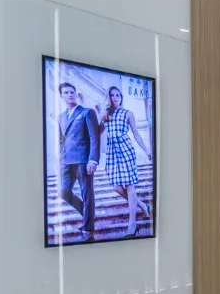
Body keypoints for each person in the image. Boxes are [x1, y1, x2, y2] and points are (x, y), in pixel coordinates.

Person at [98, 86, 152, 238]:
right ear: (108, 98)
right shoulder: (106, 115)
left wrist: (147, 151)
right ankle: (142, 205)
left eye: (117, 95)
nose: (115, 97)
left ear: (121, 97)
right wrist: (102, 113)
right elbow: (97, 132)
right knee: (116, 187)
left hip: (125, 149)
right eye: (112, 95)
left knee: (129, 185)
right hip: (112, 152)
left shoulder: (128, 113)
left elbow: (136, 134)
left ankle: (132, 224)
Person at [57, 82, 100, 242]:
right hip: (66, 161)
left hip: (83, 160)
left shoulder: (87, 112)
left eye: (72, 92)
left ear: (76, 93)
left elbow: (94, 138)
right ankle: (89, 214)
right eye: (66, 92)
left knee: (87, 193)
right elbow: (62, 140)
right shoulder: (61, 116)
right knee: (63, 191)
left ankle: (88, 230)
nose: (70, 94)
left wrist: (93, 159)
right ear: (62, 96)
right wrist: (60, 157)